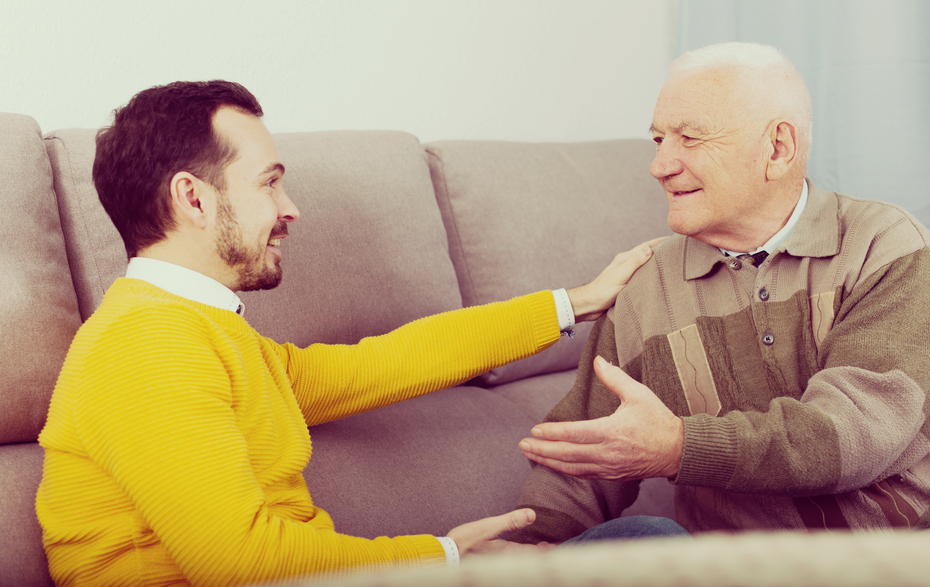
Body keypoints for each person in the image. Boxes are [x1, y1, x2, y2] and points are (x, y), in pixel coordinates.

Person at [34, 80, 662, 587]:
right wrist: (445, 557)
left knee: (643, 546)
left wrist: (578, 302)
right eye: (269, 181)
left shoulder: (203, 333)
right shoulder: (145, 346)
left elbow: (386, 362)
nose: (291, 208)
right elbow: (238, 563)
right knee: (647, 547)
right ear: (193, 200)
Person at [512, 42, 930, 544]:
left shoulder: (885, 245)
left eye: (689, 138)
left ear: (777, 149)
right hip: (729, 566)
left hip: (899, 555)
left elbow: (855, 432)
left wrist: (683, 447)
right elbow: (582, 455)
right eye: (659, 140)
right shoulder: (646, 288)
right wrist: (527, 544)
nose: (660, 165)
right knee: (646, 537)